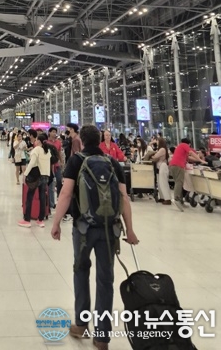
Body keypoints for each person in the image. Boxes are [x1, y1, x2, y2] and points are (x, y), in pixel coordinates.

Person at [51, 125, 139, 349]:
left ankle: (81, 324)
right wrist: (130, 230)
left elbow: (66, 193)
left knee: (81, 272)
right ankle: (102, 337)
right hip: (110, 230)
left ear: (81, 140)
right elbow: (124, 198)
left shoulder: (76, 161)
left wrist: (56, 222)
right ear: (100, 140)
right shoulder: (112, 163)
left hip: (83, 229)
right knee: (105, 279)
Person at [18, 134, 51, 228]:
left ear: (39, 141)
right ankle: (40, 220)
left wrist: (25, 174)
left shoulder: (36, 149)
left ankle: (27, 220)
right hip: (45, 175)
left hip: (37, 176)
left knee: (30, 196)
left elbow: (32, 163)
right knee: (42, 197)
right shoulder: (47, 150)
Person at [169, 138, 207, 211]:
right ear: (189, 144)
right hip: (178, 165)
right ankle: (176, 199)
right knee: (179, 182)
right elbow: (191, 153)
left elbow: (188, 158)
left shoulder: (179, 147)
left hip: (173, 165)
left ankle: (180, 200)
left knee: (178, 182)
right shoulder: (184, 145)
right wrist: (200, 160)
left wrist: (200, 160)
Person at [152, 137, 171, 204]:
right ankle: (162, 197)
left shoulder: (162, 149)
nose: (156, 142)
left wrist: (153, 156)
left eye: (157, 141)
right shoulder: (161, 149)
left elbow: (155, 156)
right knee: (160, 183)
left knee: (163, 183)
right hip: (160, 167)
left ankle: (167, 199)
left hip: (163, 166)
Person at [49, 127, 64, 197]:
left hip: (56, 164)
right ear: (49, 132)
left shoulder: (58, 142)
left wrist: (61, 161)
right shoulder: (46, 142)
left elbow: (59, 152)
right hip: (49, 165)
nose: (54, 133)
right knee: (51, 181)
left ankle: (59, 195)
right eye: (53, 132)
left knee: (59, 179)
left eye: (55, 132)